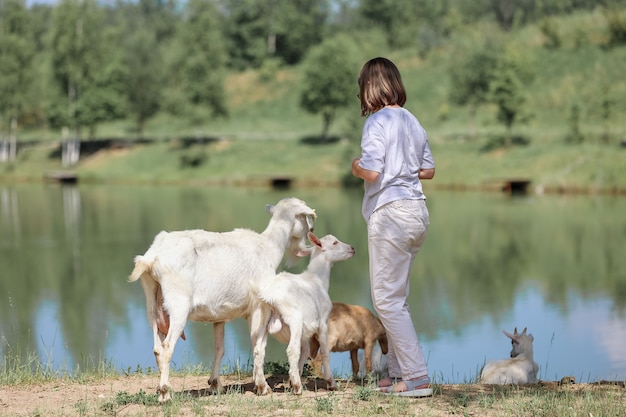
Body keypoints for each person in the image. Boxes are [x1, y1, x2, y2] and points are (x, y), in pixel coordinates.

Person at [351, 57, 435, 397]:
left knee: (385, 299)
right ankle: (397, 376)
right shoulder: (412, 121)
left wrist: (356, 166)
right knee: (396, 297)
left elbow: (371, 172)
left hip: (391, 214)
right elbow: (428, 170)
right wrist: (404, 168)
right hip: (417, 211)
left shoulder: (377, 122)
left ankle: (416, 378)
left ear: (368, 89)